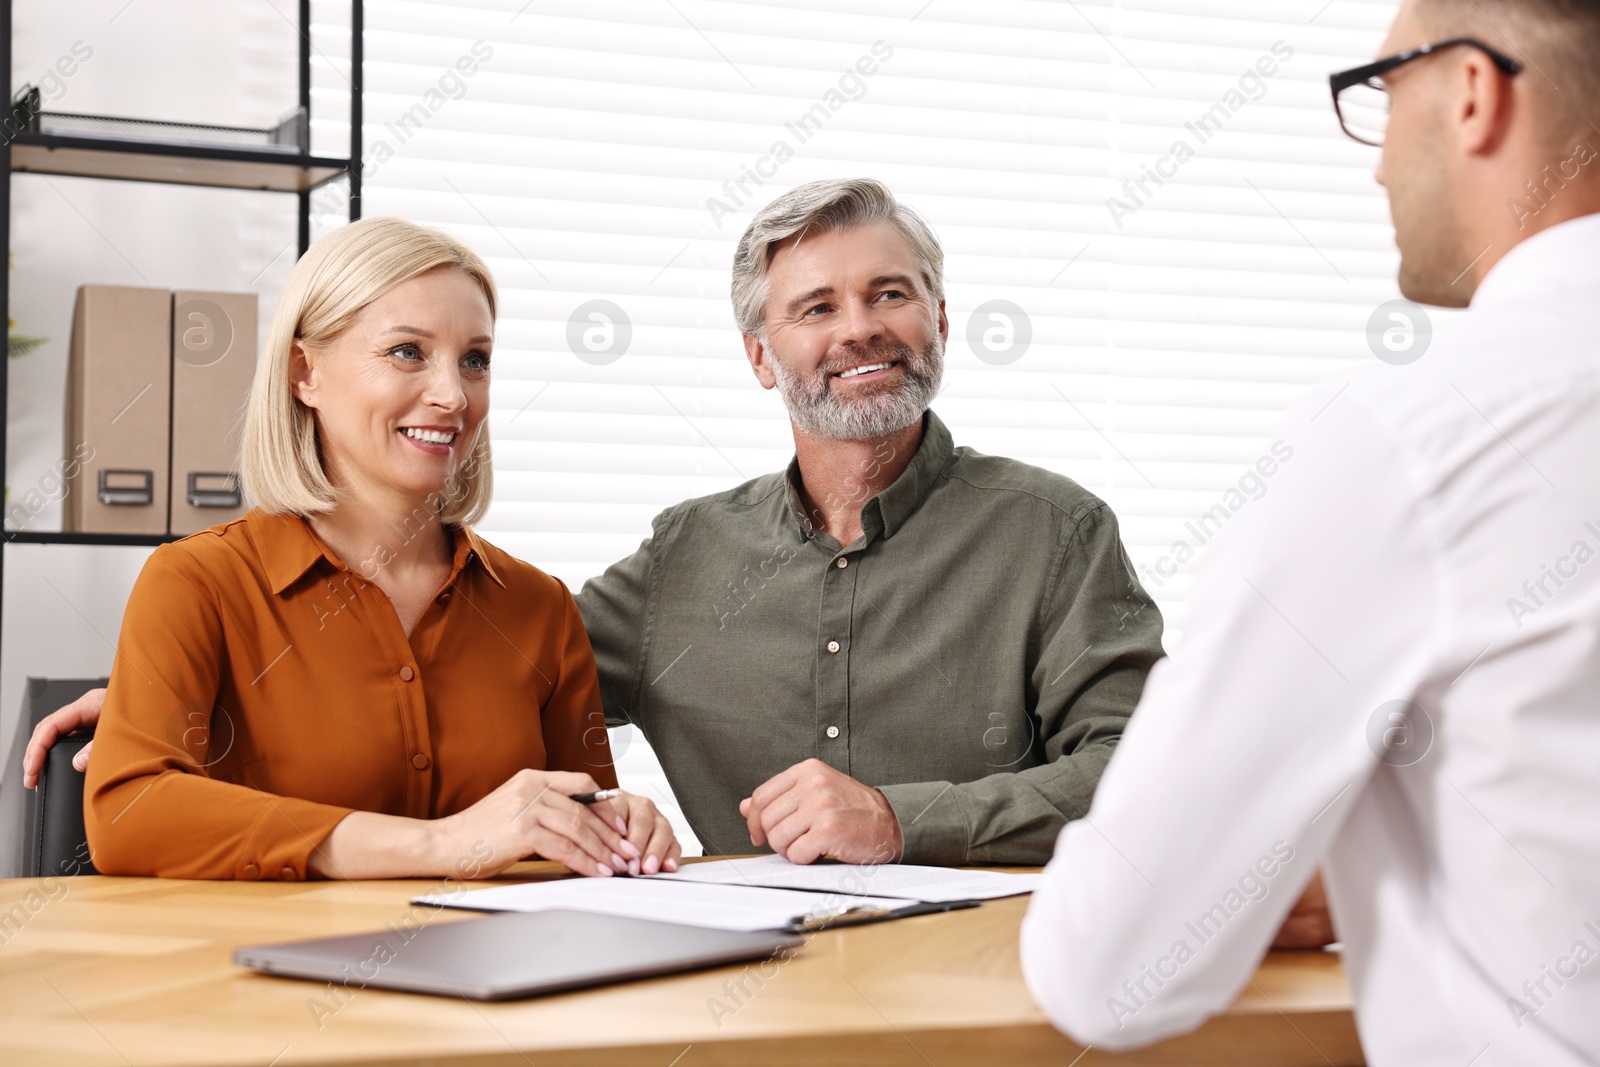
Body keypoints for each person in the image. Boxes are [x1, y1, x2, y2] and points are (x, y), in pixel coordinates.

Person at [29, 180, 1168, 868]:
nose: (859, 329)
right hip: (737, 1005)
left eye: (890, 293)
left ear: (939, 320)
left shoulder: (1055, 533)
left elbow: (1151, 775)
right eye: (816, 306)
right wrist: (176, 693)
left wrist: (901, 819)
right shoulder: (685, 558)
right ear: (758, 356)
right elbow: (481, 664)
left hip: (990, 980)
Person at [1020, 0, 1600, 1061]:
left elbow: (1108, 967)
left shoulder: (1416, 433)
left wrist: (1319, 848)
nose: (1377, 166)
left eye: (1381, 96)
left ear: (1471, 91)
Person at [71, 216, 680, 881]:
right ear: (306, 373)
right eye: (407, 352)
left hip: (496, 976)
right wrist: (441, 844)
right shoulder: (197, 582)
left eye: (474, 360)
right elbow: (129, 814)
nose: (453, 395)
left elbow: (575, 838)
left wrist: (619, 825)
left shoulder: (540, 607)